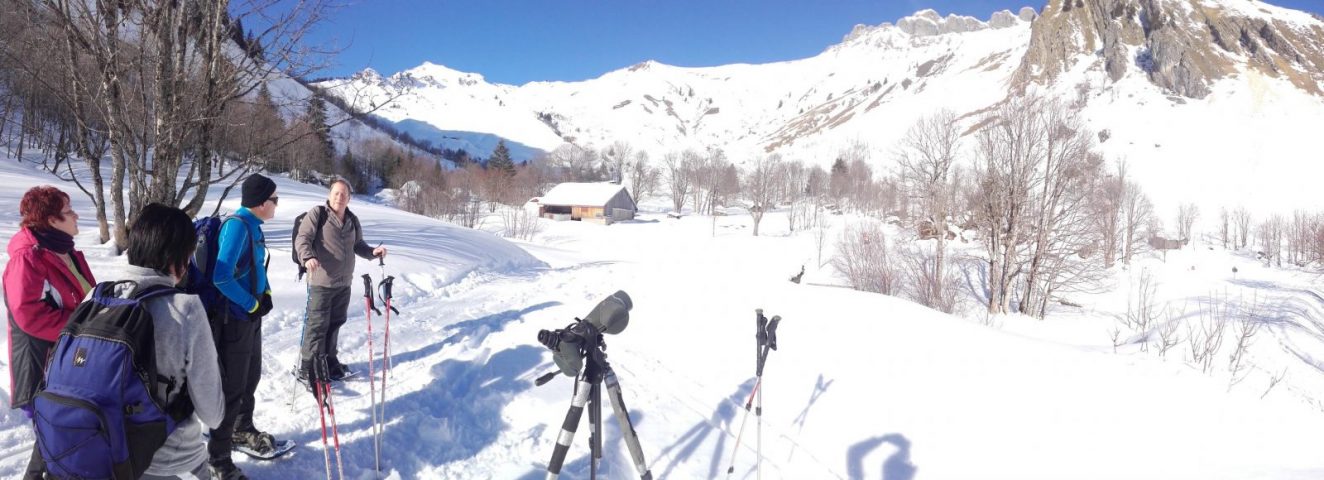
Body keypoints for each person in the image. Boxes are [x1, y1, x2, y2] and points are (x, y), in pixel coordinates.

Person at [123, 203, 225, 480]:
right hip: (171, 461)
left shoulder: (96, 298)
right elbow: (212, 413)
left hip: (106, 453)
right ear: (177, 257)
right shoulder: (185, 309)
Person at [2, 186, 95, 479]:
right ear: (51, 220)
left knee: (56, 439)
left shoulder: (63, 250)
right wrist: (79, 326)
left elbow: (83, 295)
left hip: (64, 358)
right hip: (41, 364)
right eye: (68, 211)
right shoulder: (28, 258)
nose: (76, 215)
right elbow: (28, 314)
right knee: (52, 439)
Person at [207, 174, 280, 480]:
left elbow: (253, 270)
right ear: (261, 203)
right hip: (235, 319)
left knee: (250, 377)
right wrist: (251, 304)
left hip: (249, 316)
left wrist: (266, 295)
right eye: (275, 200)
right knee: (232, 388)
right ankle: (218, 459)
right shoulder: (238, 226)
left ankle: (241, 428)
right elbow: (221, 276)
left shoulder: (253, 227)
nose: (276, 205)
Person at [294, 178, 386, 382]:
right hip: (321, 283)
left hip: (343, 284)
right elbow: (303, 239)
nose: (339, 197)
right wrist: (307, 257)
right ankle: (307, 369)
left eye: (344, 194)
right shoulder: (318, 215)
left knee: (335, 323)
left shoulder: (352, 220)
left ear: (349, 198)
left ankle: (328, 362)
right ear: (329, 195)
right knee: (317, 327)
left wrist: (373, 252)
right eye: (336, 193)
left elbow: (359, 245)